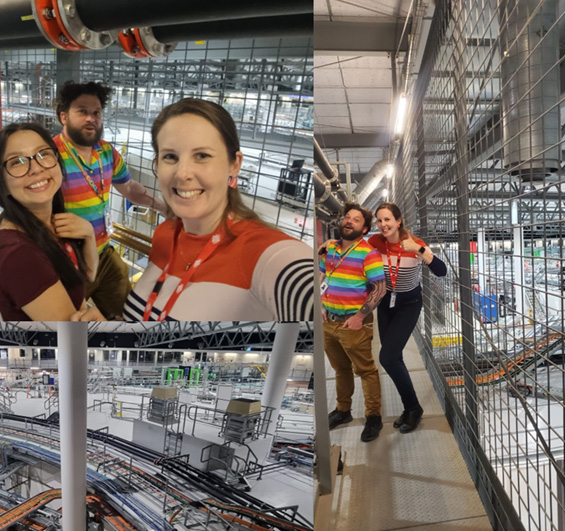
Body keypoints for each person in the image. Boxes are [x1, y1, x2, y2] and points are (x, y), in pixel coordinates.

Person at [85, 98, 313, 321]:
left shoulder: (264, 253)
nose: (182, 173)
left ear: (235, 164)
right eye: (170, 157)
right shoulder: (166, 233)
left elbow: (302, 286)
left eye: (202, 156)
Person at [54, 81, 168, 319]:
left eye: (96, 113)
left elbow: (128, 187)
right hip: (65, 262)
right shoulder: (51, 155)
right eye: (82, 111)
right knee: (69, 324)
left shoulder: (107, 152)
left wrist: (162, 206)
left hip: (103, 252)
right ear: (63, 117)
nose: (91, 118)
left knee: (126, 314)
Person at [0, 122, 99, 320]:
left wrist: (88, 234)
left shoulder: (49, 222)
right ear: (1, 183)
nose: (36, 168)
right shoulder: (20, 256)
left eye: (44, 154)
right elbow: (71, 340)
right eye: (17, 161)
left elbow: (86, 277)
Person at [368, 202, 447, 433]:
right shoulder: (375, 242)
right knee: (394, 357)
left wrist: (419, 249)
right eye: (380, 220)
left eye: (387, 220)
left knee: (388, 357)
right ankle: (410, 408)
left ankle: (413, 408)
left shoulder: (414, 244)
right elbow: (353, 250)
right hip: (385, 303)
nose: (383, 225)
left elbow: (442, 271)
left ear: (398, 221)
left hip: (409, 304)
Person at [320, 202, 387, 442]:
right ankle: (343, 410)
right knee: (340, 369)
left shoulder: (369, 253)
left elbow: (380, 289)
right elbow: (322, 274)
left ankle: (373, 417)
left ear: (365, 228)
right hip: (329, 321)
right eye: (347, 217)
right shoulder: (330, 249)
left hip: (354, 323)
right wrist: (320, 303)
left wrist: (360, 317)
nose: (348, 221)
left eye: (355, 219)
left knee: (366, 370)